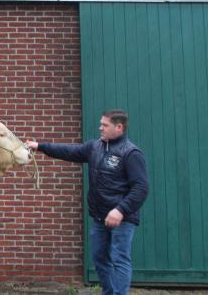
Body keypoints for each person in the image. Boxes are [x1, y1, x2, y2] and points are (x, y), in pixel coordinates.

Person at [26, 109, 148, 295]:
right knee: (100, 258)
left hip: (121, 219)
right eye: (101, 124)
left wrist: (120, 210)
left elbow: (141, 188)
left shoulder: (131, 153)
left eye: (105, 125)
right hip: (99, 217)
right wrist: (40, 146)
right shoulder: (95, 147)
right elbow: (68, 151)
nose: (100, 128)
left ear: (119, 127)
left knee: (119, 259)